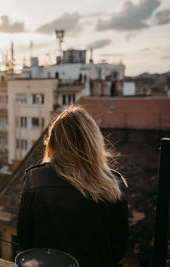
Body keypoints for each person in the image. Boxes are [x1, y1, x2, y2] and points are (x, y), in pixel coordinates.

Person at [17, 105, 128, 267]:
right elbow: (119, 249)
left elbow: (25, 241)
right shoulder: (114, 184)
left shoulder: (36, 179)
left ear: (54, 141)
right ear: (94, 141)